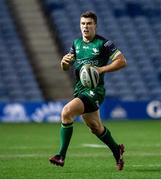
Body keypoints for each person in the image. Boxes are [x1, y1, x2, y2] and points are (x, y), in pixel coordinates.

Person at [49, 11, 127, 170]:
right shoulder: (76, 43)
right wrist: (64, 62)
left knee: (66, 112)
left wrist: (100, 69)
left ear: (95, 26)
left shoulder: (104, 43)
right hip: (80, 90)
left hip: (94, 91)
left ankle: (61, 156)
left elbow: (122, 61)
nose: (85, 26)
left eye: (89, 23)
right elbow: (66, 67)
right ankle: (116, 149)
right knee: (96, 127)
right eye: (83, 24)